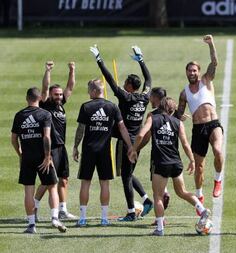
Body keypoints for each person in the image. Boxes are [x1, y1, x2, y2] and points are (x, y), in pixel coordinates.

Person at [129, 97, 211, 236]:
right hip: (175, 163)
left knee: (158, 196)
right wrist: (191, 160)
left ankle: (160, 228)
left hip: (160, 163)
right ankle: (202, 210)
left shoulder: (153, 119)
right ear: (173, 111)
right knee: (182, 192)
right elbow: (185, 143)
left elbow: (141, 135)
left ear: (160, 107)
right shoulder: (178, 123)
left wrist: (133, 150)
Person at [90, 45, 153, 221]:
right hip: (137, 141)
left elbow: (109, 79)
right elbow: (149, 78)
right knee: (128, 173)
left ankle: (132, 211)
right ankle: (146, 200)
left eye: (126, 82)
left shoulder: (125, 97)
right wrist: (140, 58)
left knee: (125, 176)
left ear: (130, 86)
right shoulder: (144, 97)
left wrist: (99, 59)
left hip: (126, 141)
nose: (123, 84)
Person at [73, 79, 132, 227]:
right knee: (104, 183)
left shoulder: (86, 106)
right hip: (105, 151)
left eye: (88, 90)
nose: (88, 93)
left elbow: (81, 129)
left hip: (88, 150)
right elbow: (123, 128)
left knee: (85, 183)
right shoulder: (112, 106)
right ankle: (104, 219)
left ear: (94, 91)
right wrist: (130, 145)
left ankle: (82, 218)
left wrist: (75, 146)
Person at [176, 35, 224, 212]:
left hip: (213, 124)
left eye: (194, 70)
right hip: (198, 129)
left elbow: (214, 62)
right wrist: (179, 116)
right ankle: (199, 195)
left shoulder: (206, 80)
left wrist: (211, 44)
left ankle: (218, 181)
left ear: (199, 71)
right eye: (189, 71)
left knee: (218, 150)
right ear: (186, 73)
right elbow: (179, 113)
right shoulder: (184, 93)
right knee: (199, 167)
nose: (192, 73)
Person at [11, 87, 67, 234]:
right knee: (52, 186)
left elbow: (13, 139)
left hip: (27, 158)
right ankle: (55, 218)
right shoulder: (45, 114)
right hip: (43, 158)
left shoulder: (19, 115)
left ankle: (31, 225)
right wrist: (48, 156)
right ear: (40, 99)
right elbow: (46, 137)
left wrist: (20, 153)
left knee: (28, 191)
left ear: (27, 98)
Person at [34, 61, 76, 220]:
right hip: (49, 149)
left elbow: (70, 87)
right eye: (56, 94)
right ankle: (34, 209)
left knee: (64, 180)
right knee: (47, 182)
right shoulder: (45, 105)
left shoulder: (60, 105)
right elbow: (44, 88)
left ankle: (63, 210)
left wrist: (72, 70)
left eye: (60, 94)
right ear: (50, 95)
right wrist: (48, 70)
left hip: (61, 148)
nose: (59, 96)